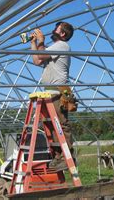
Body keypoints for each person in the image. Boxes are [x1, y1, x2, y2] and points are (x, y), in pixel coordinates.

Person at [30, 21, 75, 170]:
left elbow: (41, 55)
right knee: (51, 126)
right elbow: (37, 60)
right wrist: (34, 43)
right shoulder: (53, 49)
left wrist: (41, 41)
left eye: (57, 28)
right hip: (48, 91)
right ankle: (57, 156)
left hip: (58, 91)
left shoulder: (62, 45)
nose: (53, 29)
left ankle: (67, 157)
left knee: (61, 125)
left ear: (62, 33)